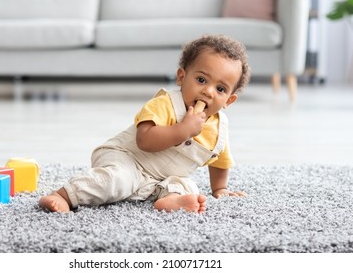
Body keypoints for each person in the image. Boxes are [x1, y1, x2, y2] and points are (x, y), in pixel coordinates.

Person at [39, 34, 250, 213]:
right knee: (117, 181)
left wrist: (220, 189)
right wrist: (183, 130)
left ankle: (169, 200)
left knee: (187, 185)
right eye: (201, 80)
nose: (208, 92)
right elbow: (144, 140)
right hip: (127, 158)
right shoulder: (165, 103)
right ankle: (65, 195)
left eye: (221, 89)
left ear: (229, 100)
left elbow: (220, 161)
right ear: (181, 77)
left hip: (159, 179)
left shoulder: (219, 128)